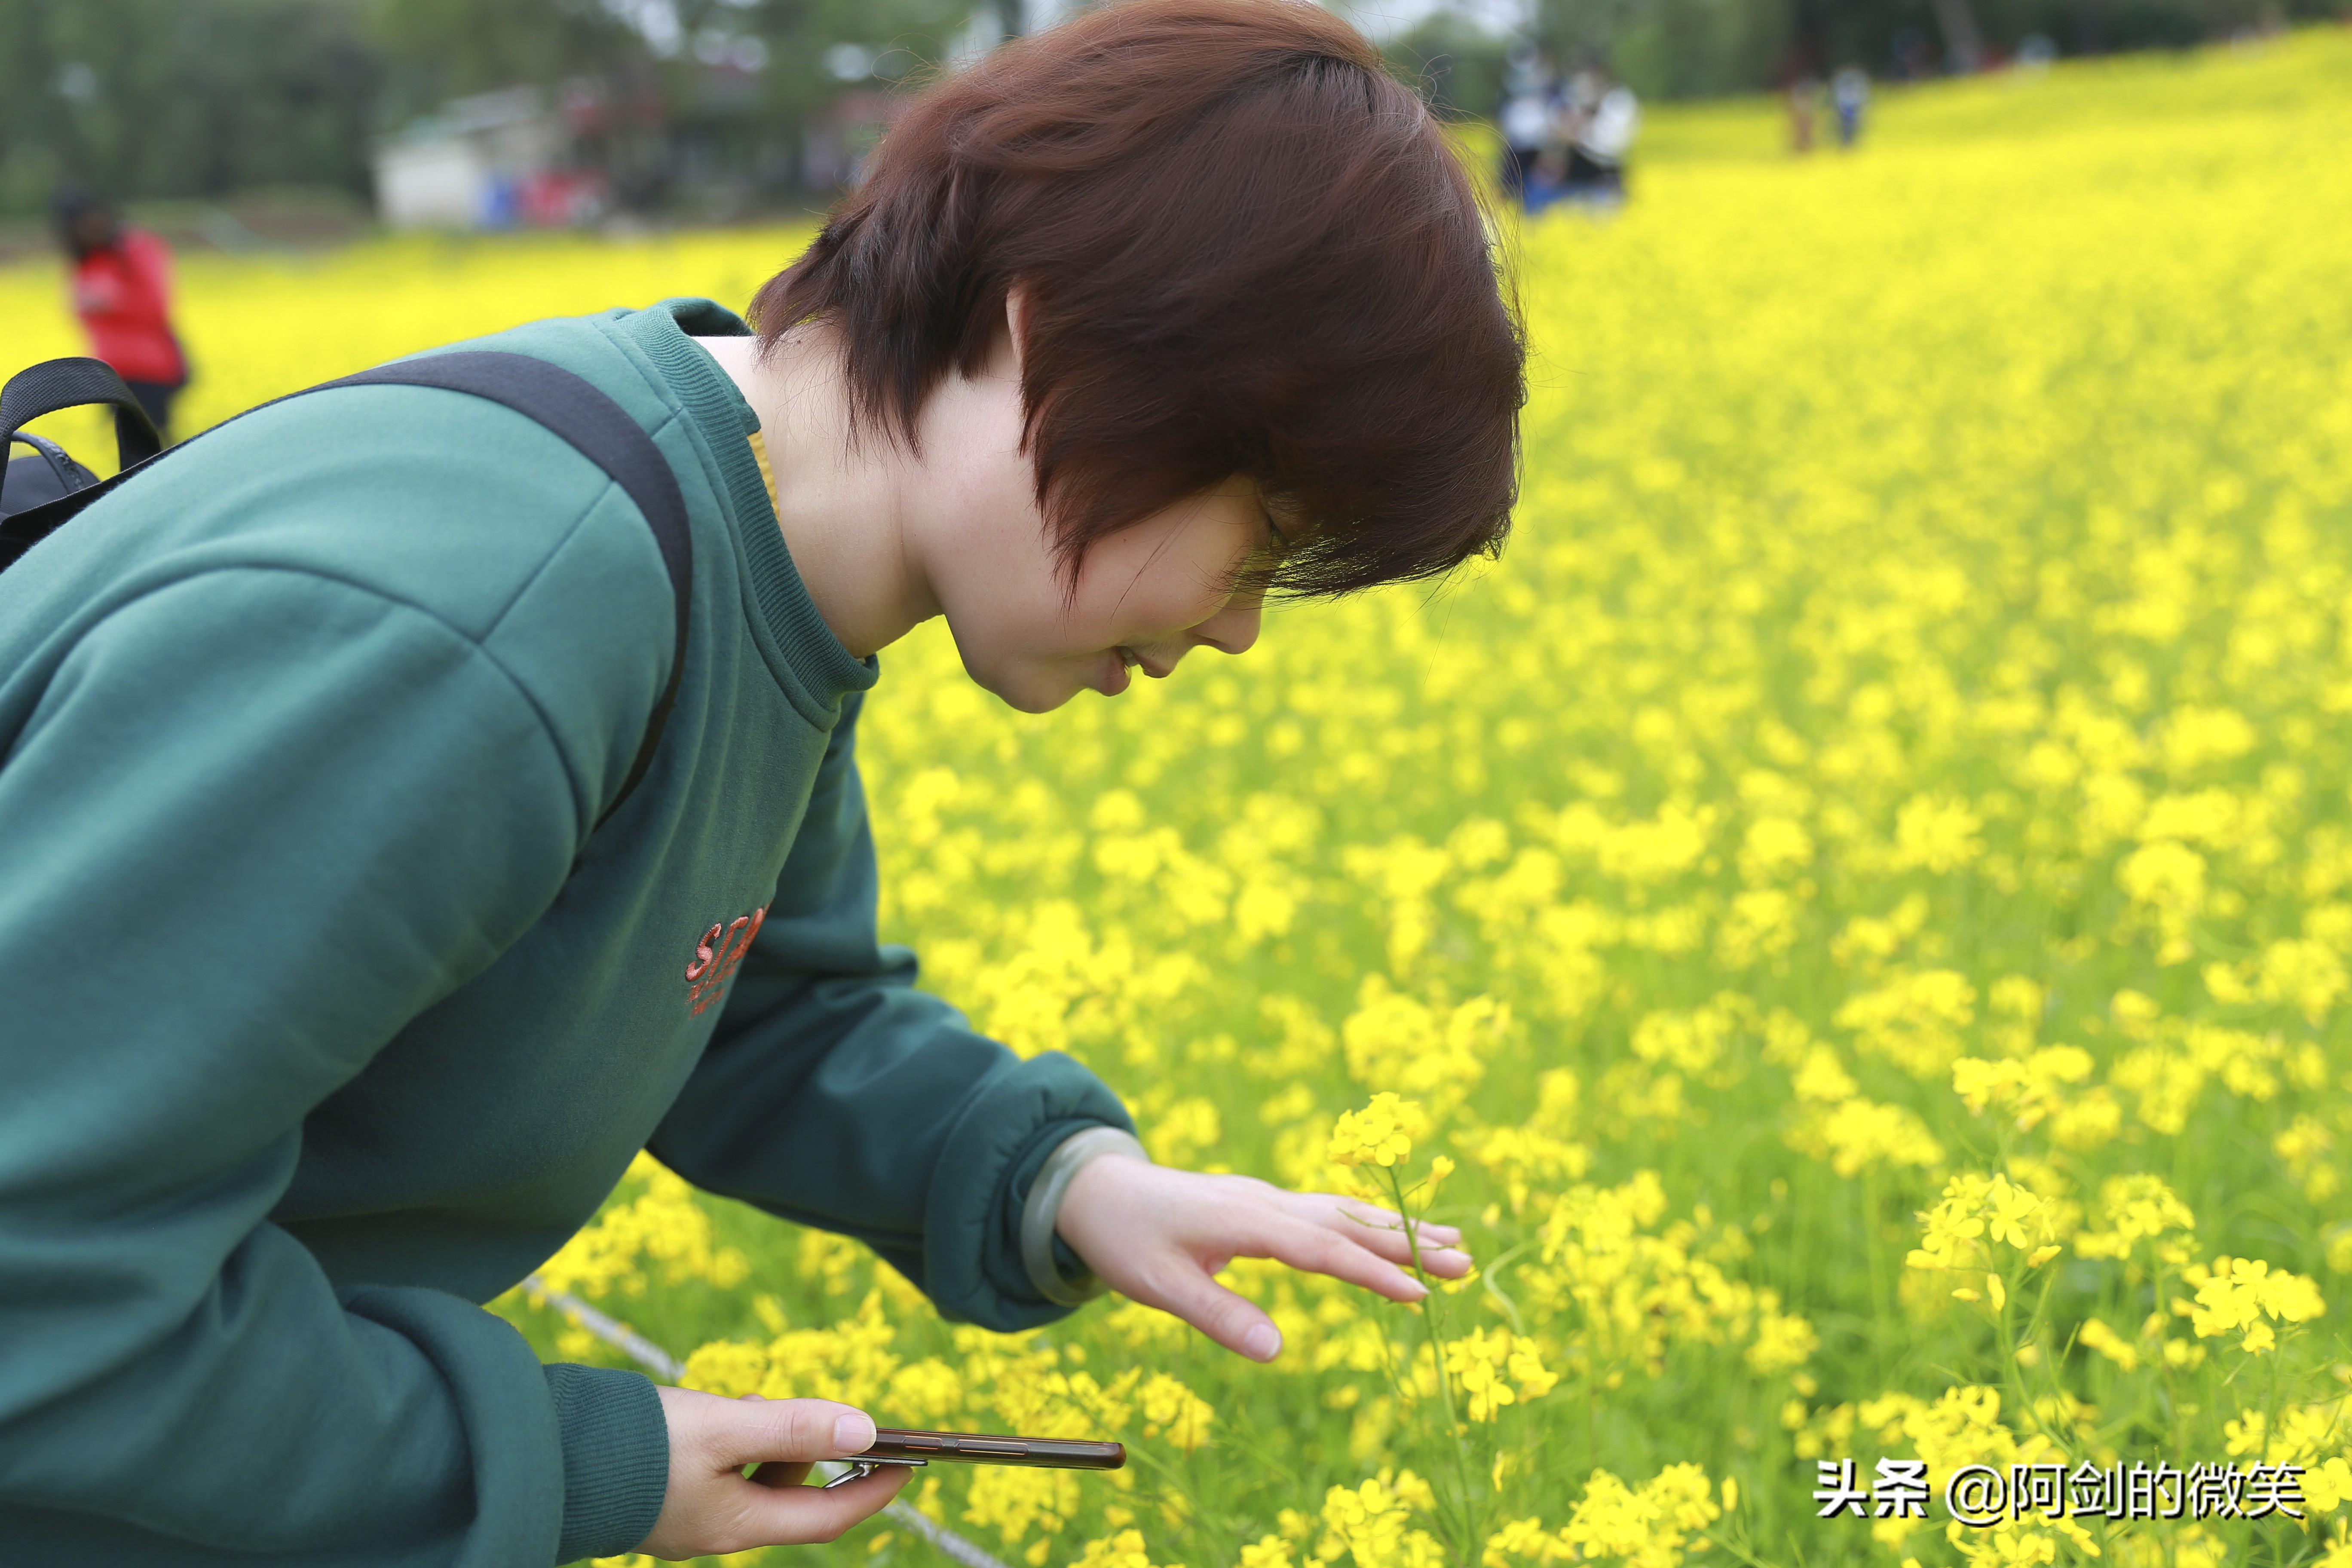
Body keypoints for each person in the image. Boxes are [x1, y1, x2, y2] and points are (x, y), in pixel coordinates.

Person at [0, 2, 1521, 1564]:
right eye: (1257, 536)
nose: (1240, 627)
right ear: (1049, 337)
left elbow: (742, 996)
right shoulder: (496, 627)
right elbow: (33, 1275)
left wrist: (1065, 1179)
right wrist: (578, 1459)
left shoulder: (749, 544)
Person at [53, 188, 190, 441]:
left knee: (155, 447)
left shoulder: (135, 247)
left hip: (150, 370)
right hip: (109, 374)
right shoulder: (88, 258)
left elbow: (158, 307)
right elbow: (77, 310)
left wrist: (114, 302)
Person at [1831, 67, 1870, 147]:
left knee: (1853, 128)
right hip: (1846, 109)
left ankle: (1850, 143)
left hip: (1852, 109)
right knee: (1845, 128)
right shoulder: (1845, 90)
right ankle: (1846, 143)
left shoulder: (1855, 88)